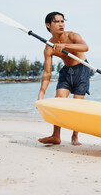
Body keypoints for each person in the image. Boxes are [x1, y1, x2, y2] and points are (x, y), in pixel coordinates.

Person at [37, 12, 90, 146]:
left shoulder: (72, 35)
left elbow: (85, 47)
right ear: (48, 25)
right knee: (59, 100)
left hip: (82, 70)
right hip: (66, 72)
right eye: (57, 22)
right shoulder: (49, 47)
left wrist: (65, 46)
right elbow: (47, 72)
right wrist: (41, 93)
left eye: (62, 21)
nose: (61, 24)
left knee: (77, 106)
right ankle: (56, 136)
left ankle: (75, 136)